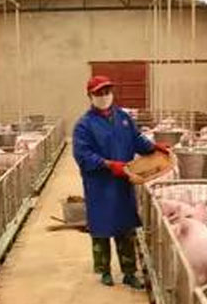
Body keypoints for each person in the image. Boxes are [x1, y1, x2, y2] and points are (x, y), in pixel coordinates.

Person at [72, 75, 170, 288]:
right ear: (90, 96)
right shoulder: (84, 125)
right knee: (101, 227)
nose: (104, 96)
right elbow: (82, 154)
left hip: (124, 180)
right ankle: (105, 271)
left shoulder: (123, 118)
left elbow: (136, 140)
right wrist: (107, 164)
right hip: (99, 184)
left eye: (107, 91)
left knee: (125, 226)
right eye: (99, 93)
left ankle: (129, 272)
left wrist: (153, 147)